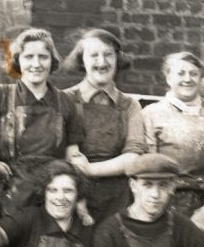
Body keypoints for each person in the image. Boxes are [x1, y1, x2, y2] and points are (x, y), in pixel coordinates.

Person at [0, 27, 88, 217]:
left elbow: (72, 153)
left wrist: (78, 165)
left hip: (50, 200)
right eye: (29, 57)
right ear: (18, 60)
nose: (36, 64)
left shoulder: (66, 103)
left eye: (43, 57)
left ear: (52, 61)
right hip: (7, 197)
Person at [142, 51, 204, 218]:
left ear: (202, 78)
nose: (187, 79)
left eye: (194, 74)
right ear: (168, 78)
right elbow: (147, 167)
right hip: (170, 203)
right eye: (180, 73)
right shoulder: (151, 115)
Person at [63, 28, 147, 223]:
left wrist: (90, 169)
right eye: (93, 55)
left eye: (108, 54)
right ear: (81, 60)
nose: (102, 62)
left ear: (118, 59)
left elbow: (133, 158)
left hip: (118, 199)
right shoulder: (65, 100)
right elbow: (67, 153)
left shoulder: (129, 105)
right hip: (74, 194)